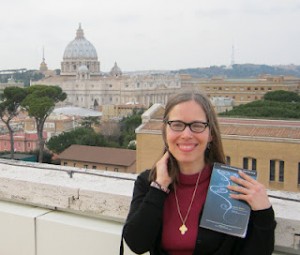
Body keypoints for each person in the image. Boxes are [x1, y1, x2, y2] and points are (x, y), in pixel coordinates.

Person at [121, 91, 276, 255]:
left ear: (211, 134)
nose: (186, 135)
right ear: (165, 132)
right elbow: (137, 244)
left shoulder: (232, 185)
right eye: (177, 125)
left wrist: (263, 212)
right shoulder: (149, 181)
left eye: (197, 125)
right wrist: (159, 188)